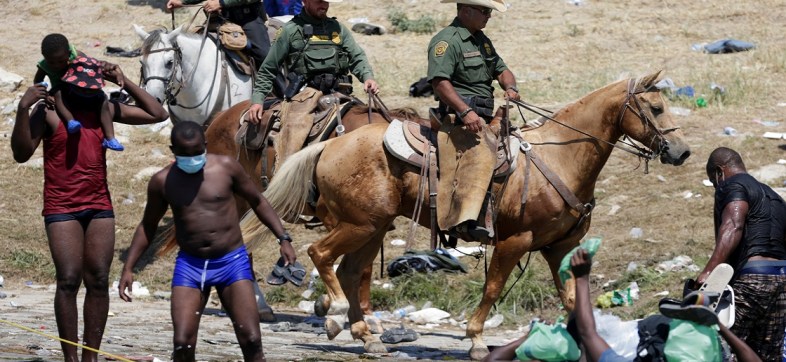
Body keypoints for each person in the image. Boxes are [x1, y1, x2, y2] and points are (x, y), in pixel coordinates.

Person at [12, 58, 168, 362]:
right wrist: (22, 109)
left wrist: (124, 81)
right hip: (62, 206)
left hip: (99, 206)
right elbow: (20, 153)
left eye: (92, 89)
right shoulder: (48, 111)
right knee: (68, 279)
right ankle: (71, 358)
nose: (86, 93)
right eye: (79, 88)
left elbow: (157, 113)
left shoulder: (103, 107)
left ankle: (90, 357)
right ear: (66, 83)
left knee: (98, 279)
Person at [118, 121, 297, 362]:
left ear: (205, 145)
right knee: (182, 344)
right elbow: (148, 225)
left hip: (231, 262)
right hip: (191, 266)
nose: (191, 158)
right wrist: (129, 267)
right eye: (184, 154)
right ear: (173, 150)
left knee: (252, 340)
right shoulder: (162, 181)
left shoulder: (226, 167)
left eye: (196, 152)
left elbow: (258, 201)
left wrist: (283, 238)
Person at [484, 248, 762, 362]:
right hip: (655, 337)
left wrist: (582, 279)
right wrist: (718, 327)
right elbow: (588, 331)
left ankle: (699, 318)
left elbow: (588, 332)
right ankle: (701, 318)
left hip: (648, 336)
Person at [428, 0, 521, 242]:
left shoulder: (482, 41)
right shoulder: (446, 41)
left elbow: (501, 69)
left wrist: (510, 86)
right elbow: (440, 82)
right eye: (485, 10)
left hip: (486, 115)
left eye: (489, 11)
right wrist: (465, 111)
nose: (488, 16)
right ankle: (464, 220)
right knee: (480, 155)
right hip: (459, 118)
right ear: (465, 10)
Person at [247, 0, 379, 164]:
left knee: (371, 122)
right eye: (318, 1)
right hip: (306, 96)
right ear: (305, 1)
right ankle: (286, 178)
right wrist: (258, 100)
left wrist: (367, 77)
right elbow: (269, 68)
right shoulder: (290, 31)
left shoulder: (337, 28)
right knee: (293, 133)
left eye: (326, 2)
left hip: (341, 92)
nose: (323, 5)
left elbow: (357, 57)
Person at [694, 146, 786, 360]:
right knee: (767, 353)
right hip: (781, 279)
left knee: (726, 347)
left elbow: (733, 226)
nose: (716, 186)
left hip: (752, 279)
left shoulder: (732, 184)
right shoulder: (774, 197)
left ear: (719, 171)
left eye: (713, 180)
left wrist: (709, 271)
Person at [34, 33, 125, 151]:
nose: (57, 65)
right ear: (44, 57)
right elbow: (37, 82)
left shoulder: (78, 56)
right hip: (61, 90)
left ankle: (110, 138)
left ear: (68, 53)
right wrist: (46, 95)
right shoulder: (44, 66)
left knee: (102, 99)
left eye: (61, 61)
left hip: (79, 87)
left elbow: (91, 68)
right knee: (58, 93)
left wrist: (108, 70)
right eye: (51, 62)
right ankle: (70, 121)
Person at [166, 0, 271, 69]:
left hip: (248, 19)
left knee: (264, 55)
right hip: (220, 19)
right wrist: (182, 2)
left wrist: (221, 3)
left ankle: (281, 96)